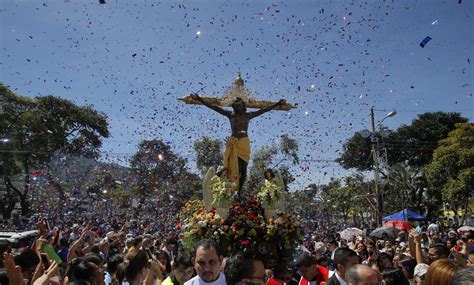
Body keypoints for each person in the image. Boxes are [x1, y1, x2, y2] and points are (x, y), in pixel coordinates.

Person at [190, 93, 286, 194]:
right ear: (234, 106)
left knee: (244, 169)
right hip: (234, 143)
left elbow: (263, 110)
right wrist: (200, 99)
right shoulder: (231, 115)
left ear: (243, 105)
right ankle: (231, 189)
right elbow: (215, 108)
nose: (238, 107)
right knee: (234, 168)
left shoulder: (248, 115)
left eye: (239, 105)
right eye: (236, 105)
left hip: (244, 143)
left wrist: (277, 104)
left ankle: (239, 192)